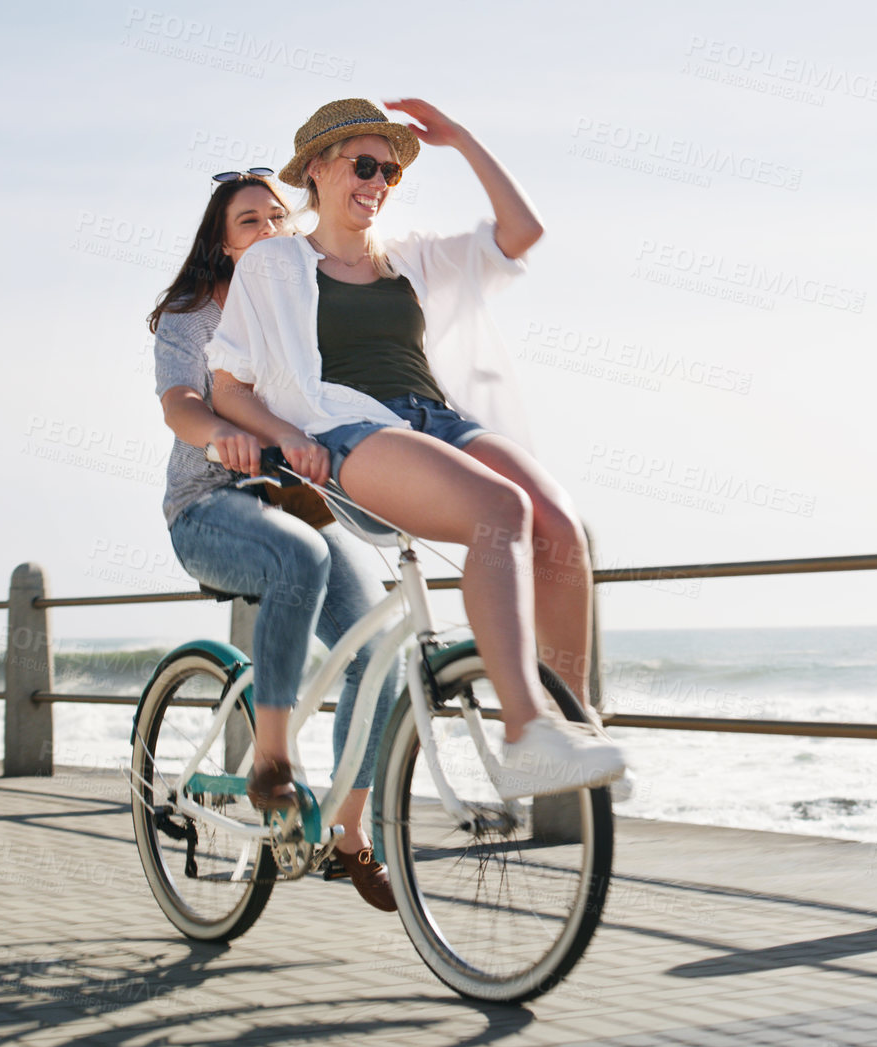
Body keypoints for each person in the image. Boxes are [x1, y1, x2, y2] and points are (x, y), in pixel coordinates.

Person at [203, 97, 626, 804]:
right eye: (364, 166)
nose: (378, 183)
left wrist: (460, 139)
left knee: (557, 522)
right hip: (349, 429)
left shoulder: (410, 256)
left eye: (391, 173)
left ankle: (569, 722)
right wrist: (289, 437)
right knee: (499, 510)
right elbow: (228, 386)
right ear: (316, 170)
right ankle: (524, 733)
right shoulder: (273, 264)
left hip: (440, 420)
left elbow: (523, 231)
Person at [148, 169, 398, 912]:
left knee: (378, 649)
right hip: (207, 508)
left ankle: (349, 832)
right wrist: (223, 435)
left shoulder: (303, 308)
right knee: (302, 557)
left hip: (296, 501)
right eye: (248, 222)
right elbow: (180, 405)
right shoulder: (191, 318)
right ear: (225, 247)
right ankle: (273, 763)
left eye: (276, 218)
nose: (267, 230)